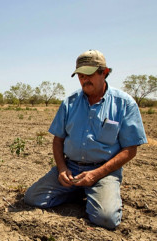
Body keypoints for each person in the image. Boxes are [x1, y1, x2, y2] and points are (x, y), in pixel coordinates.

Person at [24, 49, 147, 229]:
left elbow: (130, 150)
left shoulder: (124, 103)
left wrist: (95, 175)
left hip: (103, 171)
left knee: (106, 219)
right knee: (32, 198)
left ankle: (95, 191)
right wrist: (62, 168)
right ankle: (77, 190)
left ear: (104, 73)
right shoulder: (70, 103)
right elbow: (58, 140)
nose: (84, 79)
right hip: (71, 168)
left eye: (89, 74)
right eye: (80, 75)